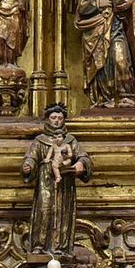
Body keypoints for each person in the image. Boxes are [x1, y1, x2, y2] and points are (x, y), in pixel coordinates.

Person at [21, 103, 91, 257]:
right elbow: (31, 157)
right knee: (44, 210)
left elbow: (83, 156)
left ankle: (61, 246)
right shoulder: (40, 140)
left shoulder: (70, 140)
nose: (57, 121)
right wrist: (28, 166)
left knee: (62, 213)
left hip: (65, 183)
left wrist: (81, 164)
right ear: (47, 119)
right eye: (53, 118)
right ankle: (39, 246)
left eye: (60, 118)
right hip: (45, 181)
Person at [74, 0, 135, 108]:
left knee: (121, 58)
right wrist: (100, 3)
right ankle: (104, 99)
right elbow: (82, 8)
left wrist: (131, 3)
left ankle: (126, 96)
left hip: (116, 32)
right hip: (95, 35)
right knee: (100, 64)